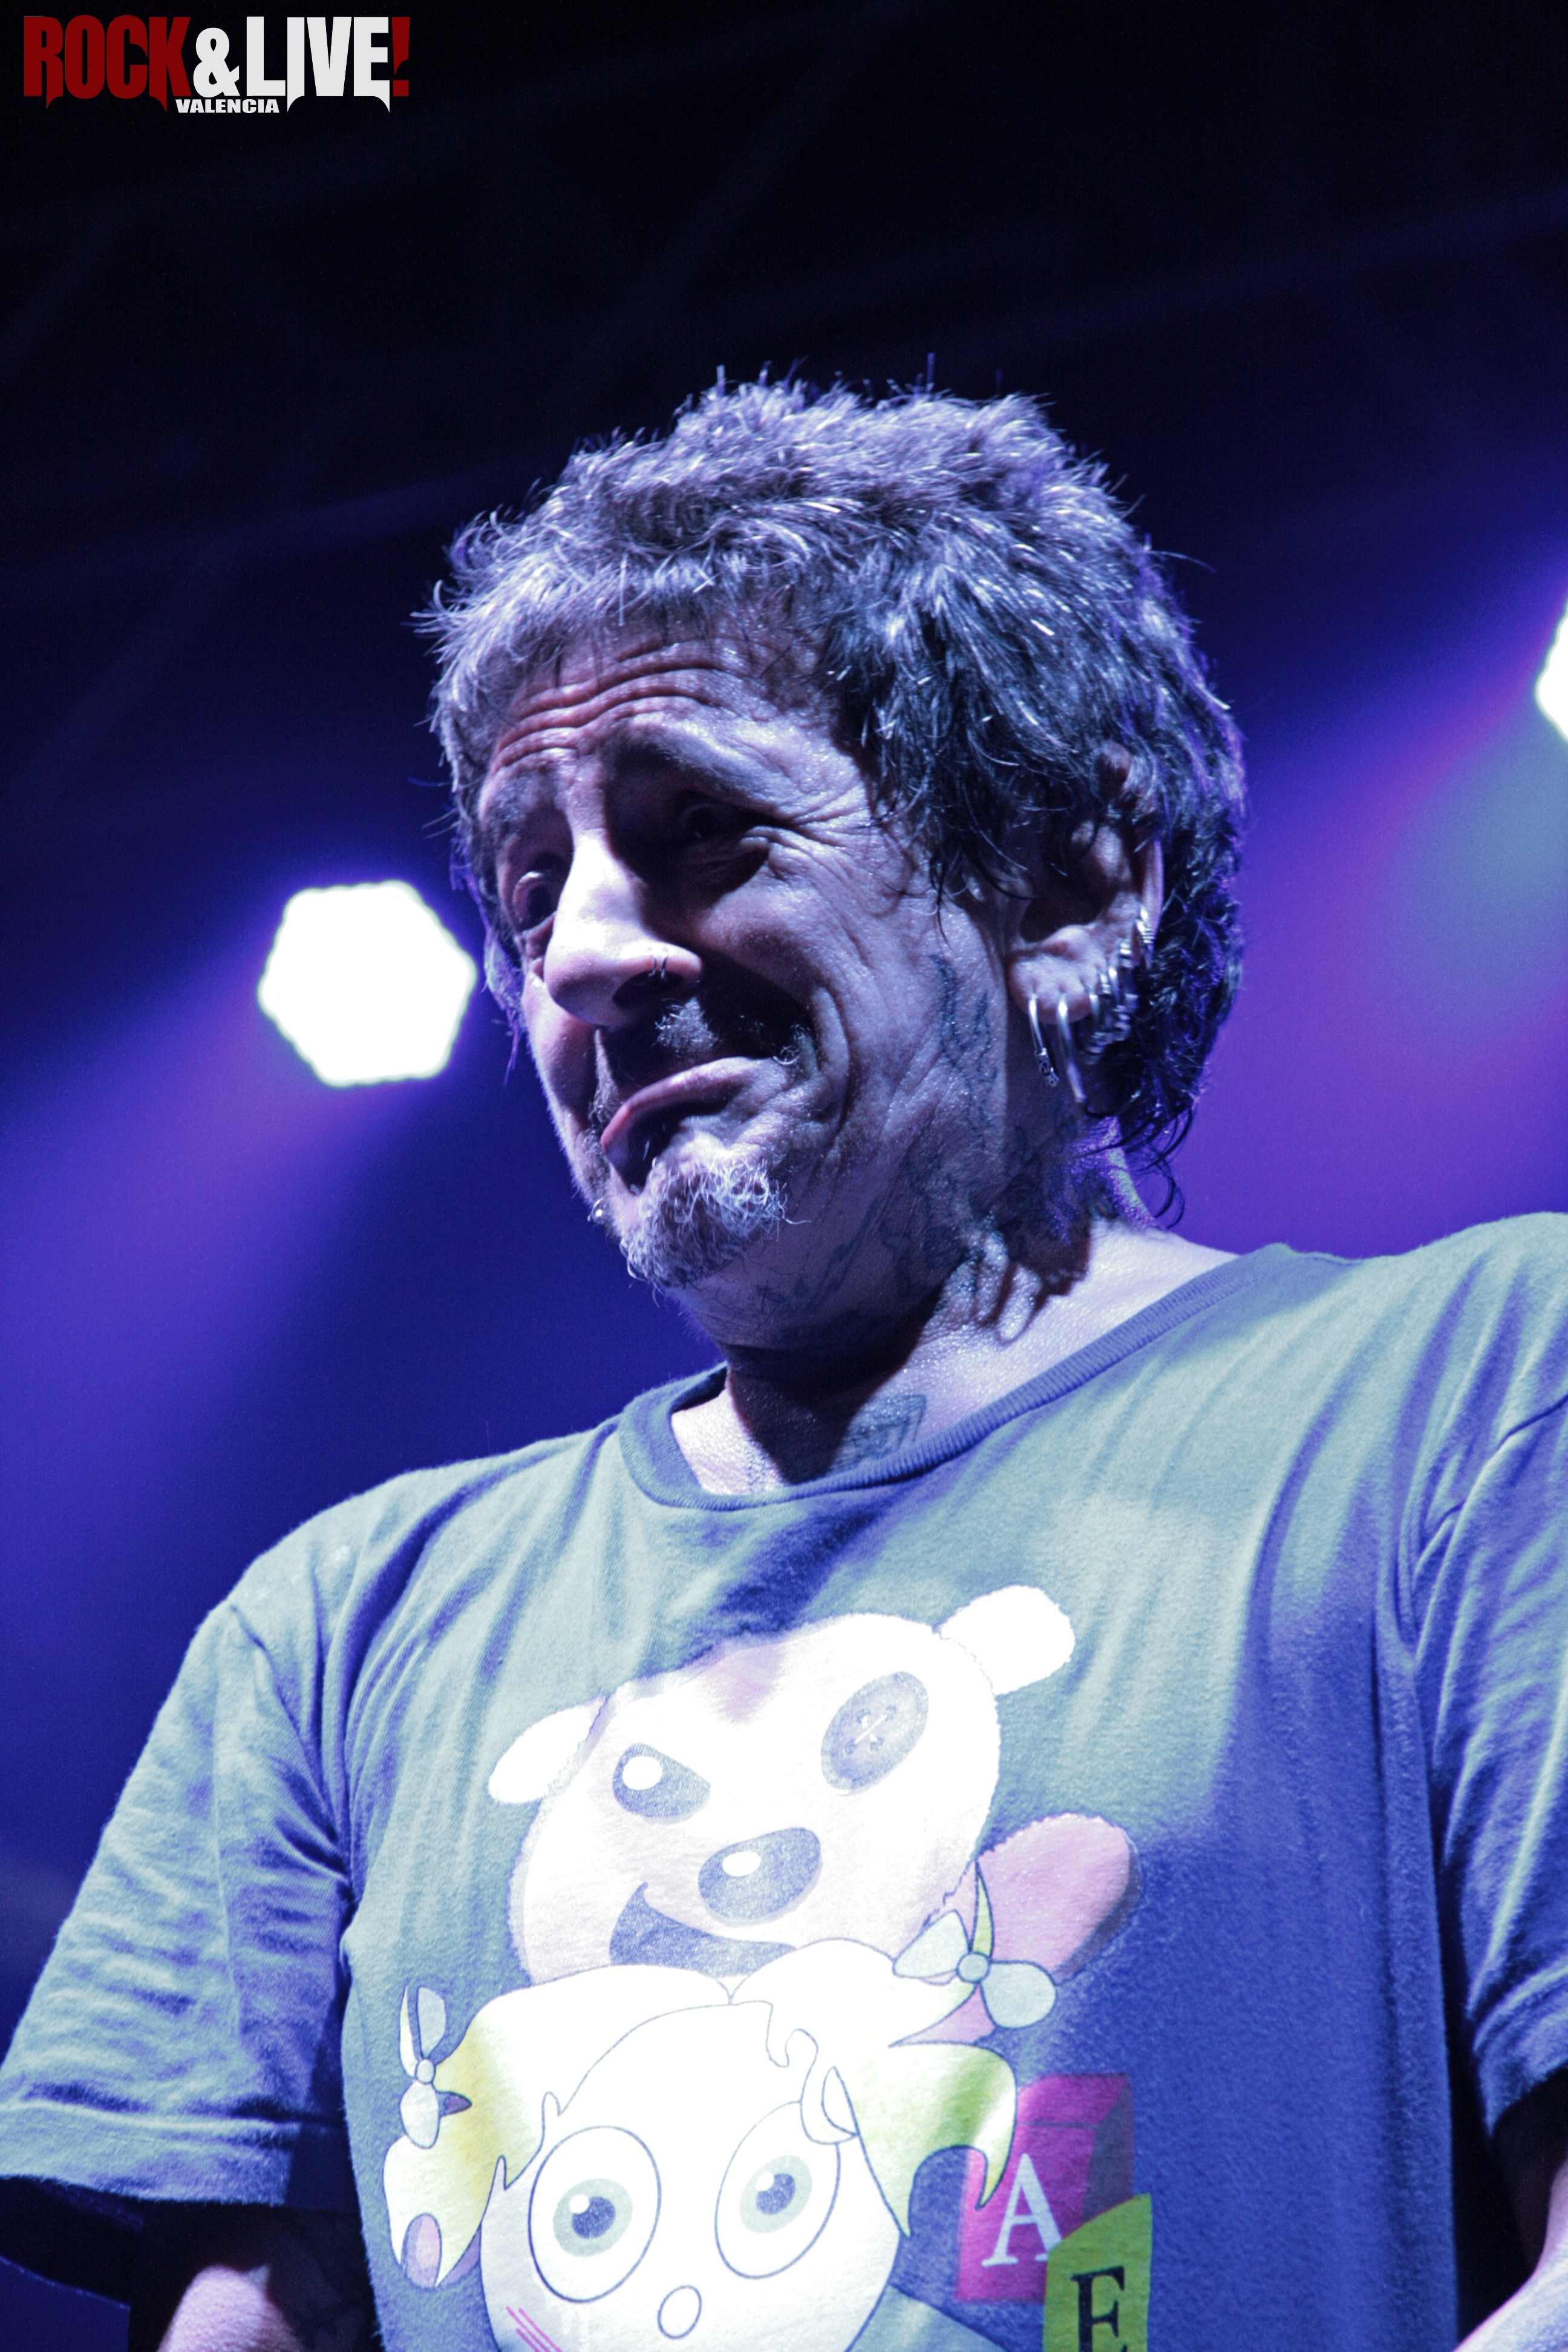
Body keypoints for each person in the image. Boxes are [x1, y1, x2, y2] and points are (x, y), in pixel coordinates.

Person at [1, 382, 1565, 2352]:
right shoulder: (332, 1631)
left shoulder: (1477, 1394)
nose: (580, 955)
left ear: (1071, 878)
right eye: (528, 887)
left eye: (701, 832)